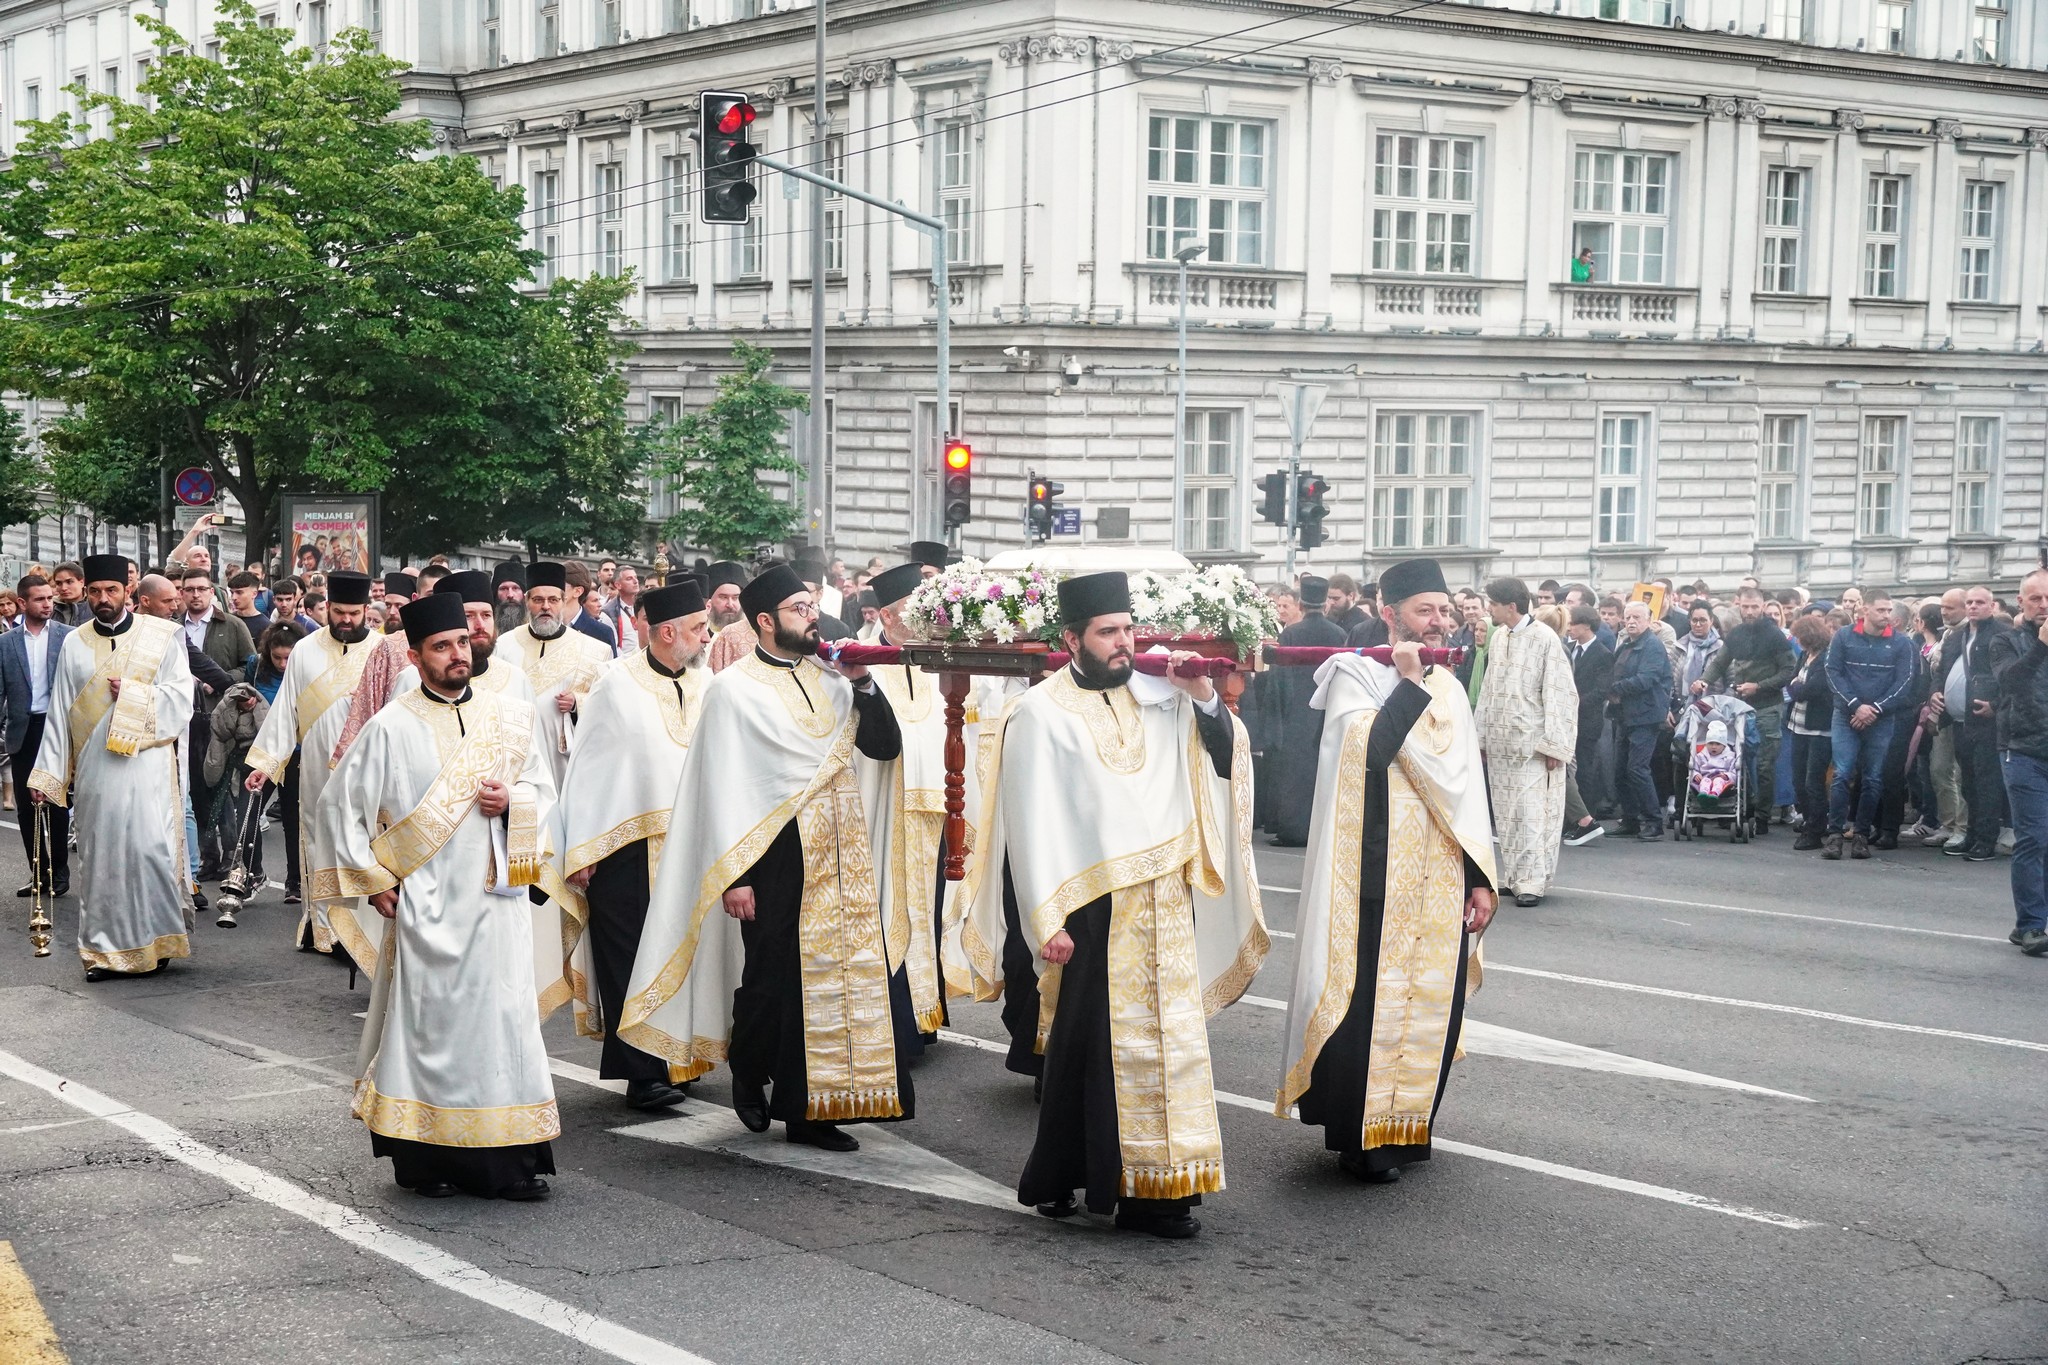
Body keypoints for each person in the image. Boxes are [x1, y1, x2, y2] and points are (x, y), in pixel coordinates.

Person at [961, 571, 1264, 1239]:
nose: (1124, 642)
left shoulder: (1161, 696)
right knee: (1087, 1044)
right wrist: (1048, 920)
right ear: (1072, 638)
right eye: (1108, 631)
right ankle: (1075, 1172)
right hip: (1090, 903)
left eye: (1128, 628)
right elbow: (1031, 821)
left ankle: (1163, 1188)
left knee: (1171, 1042)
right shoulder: (1039, 712)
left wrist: (1206, 695)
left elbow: (1221, 754)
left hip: (1162, 900)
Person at [621, 563, 908, 1154]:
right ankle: (750, 1068)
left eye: (811, 605)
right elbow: (725, 787)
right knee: (770, 981)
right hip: (771, 856)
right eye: (800, 608)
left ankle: (811, 1110)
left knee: (833, 980)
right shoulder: (733, 690)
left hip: (839, 852)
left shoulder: (832, 680)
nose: (812, 615)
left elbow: (883, 747)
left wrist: (861, 683)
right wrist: (736, 878)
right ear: (765, 621)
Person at [315, 592, 565, 1199]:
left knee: (504, 1024)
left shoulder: (510, 715)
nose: (459, 653)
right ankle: (427, 1162)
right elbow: (338, 807)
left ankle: (508, 1164)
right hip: (429, 904)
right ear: (416, 654)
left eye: (464, 641)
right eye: (443, 646)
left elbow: (544, 789)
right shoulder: (391, 726)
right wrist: (374, 880)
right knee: (434, 1030)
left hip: (498, 900)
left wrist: (516, 804)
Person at [1277, 556, 1496, 1187]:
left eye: (1444, 610)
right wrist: (1407, 684)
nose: (1437, 621)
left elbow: (1467, 793)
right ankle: (1360, 1135)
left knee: (1433, 1000)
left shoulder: (1451, 686)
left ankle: (1410, 1125)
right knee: (1367, 1003)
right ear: (1389, 612)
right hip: (1371, 875)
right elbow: (1366, 758)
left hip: (1440, 874)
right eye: (1425, 610)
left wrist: (1480, 877)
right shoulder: (1355, 676)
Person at [558, 581, 711, 1112]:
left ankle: (681, 1057)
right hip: (626, 845)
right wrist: (583, 848)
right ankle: (642, 1074)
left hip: (690, 842)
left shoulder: (704, 683)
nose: (705, 636)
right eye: (697, 628)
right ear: (667, 632)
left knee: (685, 954)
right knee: (631, 958)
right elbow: (590, 767)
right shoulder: (616, 684)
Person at [28, 556, 197, 980]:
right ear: (87, 593)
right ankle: (101, 953)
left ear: (128, 594)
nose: (104, 599)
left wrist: (137, 694)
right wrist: (47, 775)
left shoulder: (162, 637)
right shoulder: (75, 642)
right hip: (96, 771)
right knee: (100, 861)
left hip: (147, 767)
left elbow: (181, 700)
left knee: (148, 852)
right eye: (96, 592)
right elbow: (61, 712)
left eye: (112, 591)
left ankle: (156, 943)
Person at [244, 571, 379, 954]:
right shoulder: (305, 649)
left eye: (354, 613)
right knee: (319, 841)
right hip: (318, 767)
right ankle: (324, 927)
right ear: (328, 609)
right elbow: (286, 710)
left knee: (365, 844)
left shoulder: (383, 650)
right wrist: (266, 764)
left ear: (367, 610)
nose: (346, 620)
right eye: (339, 612)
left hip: (370, 769)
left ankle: (363, 933)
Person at [863, 563, 968, 1045]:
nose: (922, 617)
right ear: (886, 614)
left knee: (931, 915)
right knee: (890, 915)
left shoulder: (936, 661)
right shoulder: (866, 663)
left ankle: (928, 1013)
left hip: (934, 815)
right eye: (912, 609)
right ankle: (897, 1021)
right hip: (885, 814)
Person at [1475, 577, 1576, 906]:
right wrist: (1481, 737)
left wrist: (1555, 745)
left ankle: (1533, 881)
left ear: (1511, 606)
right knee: (1507, 816)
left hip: (1532, 745)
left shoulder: (1544, 638)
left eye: (1493, 603)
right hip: (1503, 745)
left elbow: (1560, 694)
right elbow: (1488, 690)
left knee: (1532, 814)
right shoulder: (1499, 636)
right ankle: (1516, 877)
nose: (1488, 608)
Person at [494, 562, 611, 793]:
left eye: (553, 600)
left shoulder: (595, 652)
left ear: (563, 601)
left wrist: (578, 703)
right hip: (515, 756)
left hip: (565, 762)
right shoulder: (504, 646)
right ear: (527, 601)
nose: (545, 607)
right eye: (538, 600)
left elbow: (606, 710)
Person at [1821, 591, 1918, 860]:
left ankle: (1862, 834)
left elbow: (1904, 683)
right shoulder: (1844, 636)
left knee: (1874, 778)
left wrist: (1874, 709)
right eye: (1881, 610)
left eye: (1889, 611)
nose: (1887, 615)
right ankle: (1835, 834)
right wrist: (1855, 705)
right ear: (1865, 610)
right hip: (1846, 715)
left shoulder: (1902, 644)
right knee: (1842, 774)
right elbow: (1833, 672)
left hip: (1881, 718)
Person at [1697, 586, 1796, 832]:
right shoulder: (1736, 633)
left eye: (1754, 607)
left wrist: (1759, 686)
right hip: (1740, 708)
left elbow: (1788, 671)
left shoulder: (1775, 636)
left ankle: (1762, 817)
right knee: (1737, 761)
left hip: (1768, 707)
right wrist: (1704, 680)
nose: (1749, 612)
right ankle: (1741, 808)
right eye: (1745, 607)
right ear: (1738, 605)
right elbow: (1720, 662)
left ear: (1763, 606)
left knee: (1764, 764)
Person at [180, 566, 256, 881]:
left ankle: (230, 856)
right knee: (194, 790)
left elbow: (250, 666)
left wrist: (220, 683)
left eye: (202, 589)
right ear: (181, 593)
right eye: (190, 589)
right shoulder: (172, 628)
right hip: (186, 718)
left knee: (221, 789)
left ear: (212, 592)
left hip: (222, 719)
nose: (195, 594)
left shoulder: (232, 625)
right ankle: (206, 857)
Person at [1, 575, 72, 897]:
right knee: (27, 809)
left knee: (56, 803)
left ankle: (59, 872)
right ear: (22, 603)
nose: (48, 604)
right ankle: (38, 874)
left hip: (56, 728)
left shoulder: (68, 637)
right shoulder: (6, 643)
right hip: (22, 731)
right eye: (40, 599)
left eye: (50, 598)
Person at [1990, 569, 2048, 955]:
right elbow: (2009, 681)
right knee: (2034, 838)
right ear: (2022, 601)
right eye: (2036, 598)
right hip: (2023, 751)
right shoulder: (2005, 640)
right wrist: (2041, 647)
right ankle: (2031, 926)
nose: (2043, 605)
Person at [1265, 575, 1348, 847]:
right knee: (1321, 768)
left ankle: (1291, 828)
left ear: (1300, 604)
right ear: (1325, 604)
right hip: (1325, 707)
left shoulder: (1290, 633)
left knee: (1294, 772)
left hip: (1295, 710)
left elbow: (1279, 676)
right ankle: (1320, 828)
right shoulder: (1338, 633)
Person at [1929, 586, 2007, 863]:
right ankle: (1971, 834)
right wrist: (1936, 693)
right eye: (1970, 602)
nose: (1973, 606)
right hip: (1959, 721)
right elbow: (1942, 672)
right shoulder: (1957, 636)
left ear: (1992, 606)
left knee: (1986, 782)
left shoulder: (2001, 634)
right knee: (1968, 783)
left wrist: (1995, 706)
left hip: (1986, 722)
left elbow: (2010, 679)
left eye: (1980, 602)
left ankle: (1986, 839)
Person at [1609, 601, 1673, 840]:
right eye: (1628, 617)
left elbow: (1646, 679)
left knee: (1637, 768)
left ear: (1649, 620)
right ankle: (1630, 819)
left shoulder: (1653, 646)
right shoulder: (1626, 644)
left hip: (1645, 716)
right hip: (1625, 715)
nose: (1631, 621)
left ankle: (1653, 821)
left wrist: (1615, 688)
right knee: (1620, 772)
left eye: (1637, 617)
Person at [1784, 615, 1836, 851]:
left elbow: (1809, 690)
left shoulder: (1826, 658)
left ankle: (1815, 829)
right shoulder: (1805, 655)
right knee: (1798, 779)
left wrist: (1796, 687)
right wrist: (1796, 687)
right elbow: (1791, 683)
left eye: (1801, 636)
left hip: (1819, 729)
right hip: (1797, 725)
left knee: (1813, 781)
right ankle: (1809, 818)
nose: (1798, 640)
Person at [1563, 604, 1614, 832]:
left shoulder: (1602, 653)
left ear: (1586, 625)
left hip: (1587, 721)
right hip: (1568, 720)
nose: (1569, 628)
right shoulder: (1569, 648)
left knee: (1584, 770)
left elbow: (1601, 690)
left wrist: (1573, 702)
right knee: (1568, 771)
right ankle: (1569, 817)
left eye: (1573, 623)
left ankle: (1585, 816)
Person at [601, 565, 642, 654]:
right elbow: (613, 647)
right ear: (618, 585)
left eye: (636, 577)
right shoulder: (608, 612)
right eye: (629, 579)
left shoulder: (645, 605)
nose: (635, 581)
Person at [573, 583, 618, 654]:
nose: (599, 604)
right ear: (582, 603)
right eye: (594, 601)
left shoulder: (605, 623)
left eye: (599, 600)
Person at [227, 571, 269, 640]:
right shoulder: (228, 621)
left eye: (239, 592)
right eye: (232, 593)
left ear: (254, 594)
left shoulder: (266, 626)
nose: (234, 597)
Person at [49, 562, 87, 627]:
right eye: (59, 583)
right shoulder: (50, 609)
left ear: (82, 582)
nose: (64, 588)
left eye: (69, 582)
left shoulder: (95, 608)